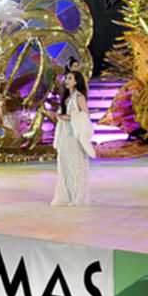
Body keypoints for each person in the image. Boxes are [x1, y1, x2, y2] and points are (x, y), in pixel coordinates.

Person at [51, 70, 95, 207]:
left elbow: (84, 116)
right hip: (65, 135)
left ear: (76, 81)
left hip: (74, 136)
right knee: (65, 166)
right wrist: (58, 116)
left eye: (70, 78)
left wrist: (70, 118)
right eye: (66, 78)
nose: (67, 81)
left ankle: (77, 196)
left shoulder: (79, 97)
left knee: (76, 166)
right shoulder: (65, 98)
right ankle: (66, 195)